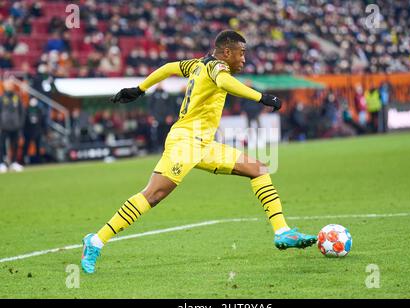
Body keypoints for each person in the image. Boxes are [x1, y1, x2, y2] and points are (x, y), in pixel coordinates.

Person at [80, 30, 317, 274]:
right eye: (241, 53)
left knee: (258, 169)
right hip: (185, 142)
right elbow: (223, 82)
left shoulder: (196, 64)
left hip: (203, 144)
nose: (244, 60)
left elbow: (168, 67)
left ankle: (282, 231)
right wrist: (262, 97)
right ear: (227, 52)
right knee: (153, 195)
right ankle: (95, 241)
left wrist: (140, 88)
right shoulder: (217, 68)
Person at [0, 79, 24, 173]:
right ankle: (1, 163)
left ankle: (14, 162)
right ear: (4, 86)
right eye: (8, 84)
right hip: (4, 127)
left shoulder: (17, 98)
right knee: (1, 145)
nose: (10, 86)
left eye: (11, 84)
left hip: (15, 126)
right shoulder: (2, 98)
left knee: (15, 145)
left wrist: (20, 123)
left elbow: (22, 112)